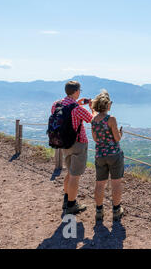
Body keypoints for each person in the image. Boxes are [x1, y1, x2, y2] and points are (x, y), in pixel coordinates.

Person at [51, 80, 95, 215]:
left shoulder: (57, 104)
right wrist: (92, 108)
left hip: (64, 143)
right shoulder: (77, 109)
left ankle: (66, 200)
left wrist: (78, 102)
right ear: (76, 91)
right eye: (79, 91)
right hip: (78, 143)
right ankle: (71, 205)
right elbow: (92, 119)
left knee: (70, 173)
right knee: (75, 176)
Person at [91, 90, 125, 222]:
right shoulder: (111, 119)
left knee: (99, 184)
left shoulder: (94, 120)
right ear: (106, 105)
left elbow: (95, 139)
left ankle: (99, 211)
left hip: (100, 155)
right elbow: (116, 138)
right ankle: (116, 210)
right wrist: (120, 134)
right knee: (116, 183)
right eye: (110, 102)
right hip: (114, 154)